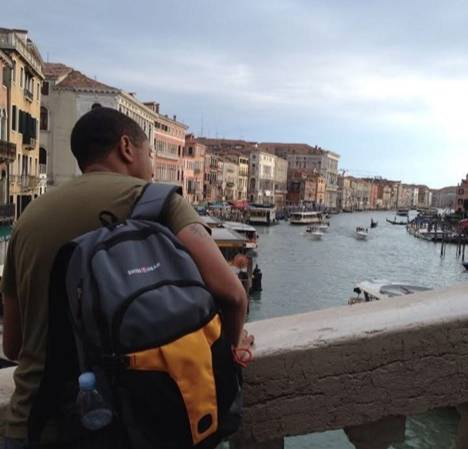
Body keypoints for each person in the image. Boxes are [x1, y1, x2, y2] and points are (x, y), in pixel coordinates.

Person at [1, 107, 252, 448]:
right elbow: (233, 295)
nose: (151, 165)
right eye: (150, 153)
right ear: (126, 148)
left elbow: (13, 345)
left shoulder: (28, 219)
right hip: (135, 424)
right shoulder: (159, 203)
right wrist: (235, 348)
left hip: (36, 423)